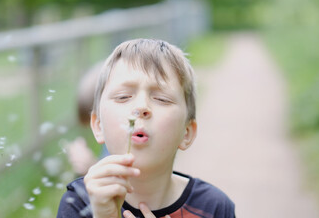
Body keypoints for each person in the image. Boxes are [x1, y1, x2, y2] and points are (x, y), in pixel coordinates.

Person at [57, 39, 235, 218]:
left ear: (186, 133)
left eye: (162, 99)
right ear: (98, 126)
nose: (141, 107)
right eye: (123, 96)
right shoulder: (80, 203)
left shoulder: (214, 208)